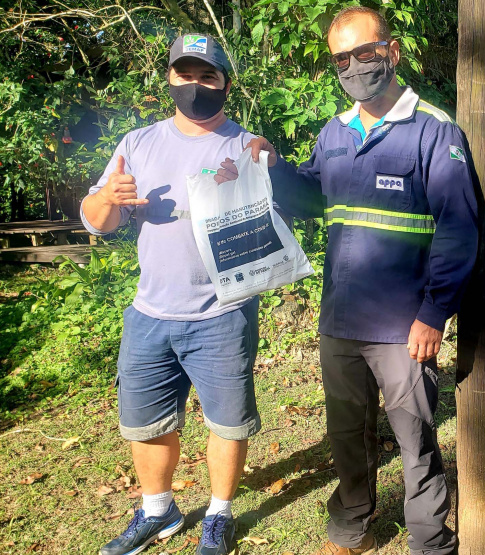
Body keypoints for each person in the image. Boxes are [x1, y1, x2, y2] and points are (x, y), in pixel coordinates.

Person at [217, 7, 479, 555]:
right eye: (343, 58)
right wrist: (273, 167)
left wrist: (435, 314)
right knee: (346, 438)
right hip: (339, 320)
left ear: (392, 52)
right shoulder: (334, 131)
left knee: (416, 444)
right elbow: (314, 197)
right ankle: (350, 528)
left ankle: (430, 543)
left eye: (365, 52)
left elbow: (459, 228)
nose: (356, 66)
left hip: (404, 327)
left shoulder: (433, 129)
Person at [81, 34, 298, 555]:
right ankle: (159, 509)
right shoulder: (137, 144)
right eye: (186, 74)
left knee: (226, 419)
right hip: (150, 312)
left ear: (225, 83)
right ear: (170, 79)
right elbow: (97, 223)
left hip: (224, 313)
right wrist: (109, 198)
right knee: (144, 421)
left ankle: (219, 514)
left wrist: (274, 166)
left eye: (208, 76)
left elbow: (282, 211)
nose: (196, 85)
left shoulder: (245, 146)